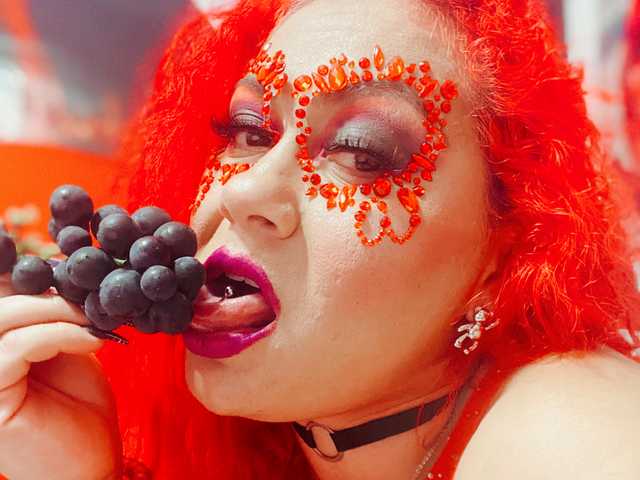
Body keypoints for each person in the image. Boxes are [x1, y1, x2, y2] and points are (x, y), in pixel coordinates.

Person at [1, 0, 640, 479]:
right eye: (249, 132)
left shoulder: (568, 437)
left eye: (362, 153)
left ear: (502, 255)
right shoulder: (285, 433)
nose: (245, 190)